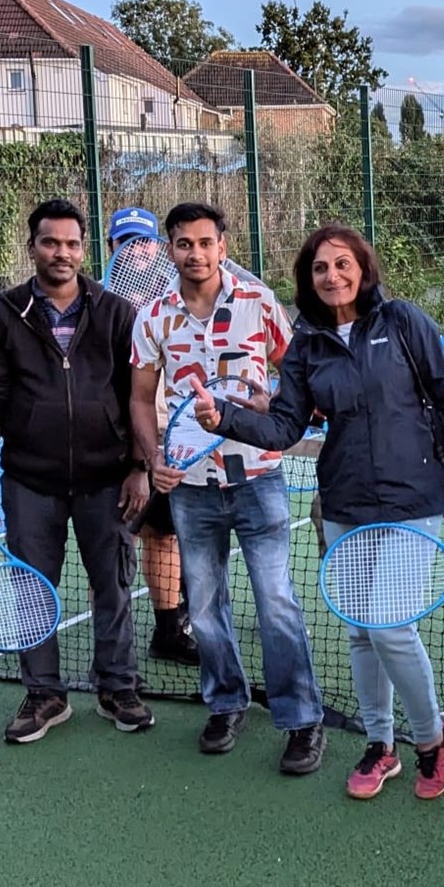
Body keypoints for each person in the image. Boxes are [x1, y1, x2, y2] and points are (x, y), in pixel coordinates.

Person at [200, 224, 444, 800]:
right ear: (308, 280)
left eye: (342, 264)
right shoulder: (307, 342)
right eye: (320, 268)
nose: (332, 276)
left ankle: (431, 738)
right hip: (343, 501)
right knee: (361, 633)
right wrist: (226, 421)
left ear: (363, 268)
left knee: (390, 625)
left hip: (413, 497)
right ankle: (379, 744)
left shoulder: (403, 321)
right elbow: (286, 425)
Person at [132, 202, 327, 775]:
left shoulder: (258, 303)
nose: (195, 253)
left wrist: (278, 404)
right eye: (183, 244)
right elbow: (142, 397)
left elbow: (295, 371)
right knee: (207, 607)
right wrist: (154, 458)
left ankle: (300, 719)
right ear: (170, 250)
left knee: (276, 602)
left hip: (259, 477)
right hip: (191, 486)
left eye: (205, 243)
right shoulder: (153, 317)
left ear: (223, 245)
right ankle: (225, 703)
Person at [0, 199, 152, 743]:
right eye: (51, 243)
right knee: (33, 590)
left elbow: (139, 397)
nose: (62, 253)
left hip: (108, 479)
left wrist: (141, 467)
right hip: (30, 481)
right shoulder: (4, 315)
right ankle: (45, 694)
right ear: (33, 248)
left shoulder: (116, 312)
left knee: (113, 587)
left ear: (84, 250)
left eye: (72, 244)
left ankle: (118, 687)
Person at [102, 206, 198, 667]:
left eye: (144, 242)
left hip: (175, 435)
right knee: (128, 537)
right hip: (120, 443)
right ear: (112, 249)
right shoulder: (99, 308)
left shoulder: (177, 301)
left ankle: (176, 624)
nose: (137, 251)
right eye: (127, 243)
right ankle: (125, 643)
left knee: (171, 534)